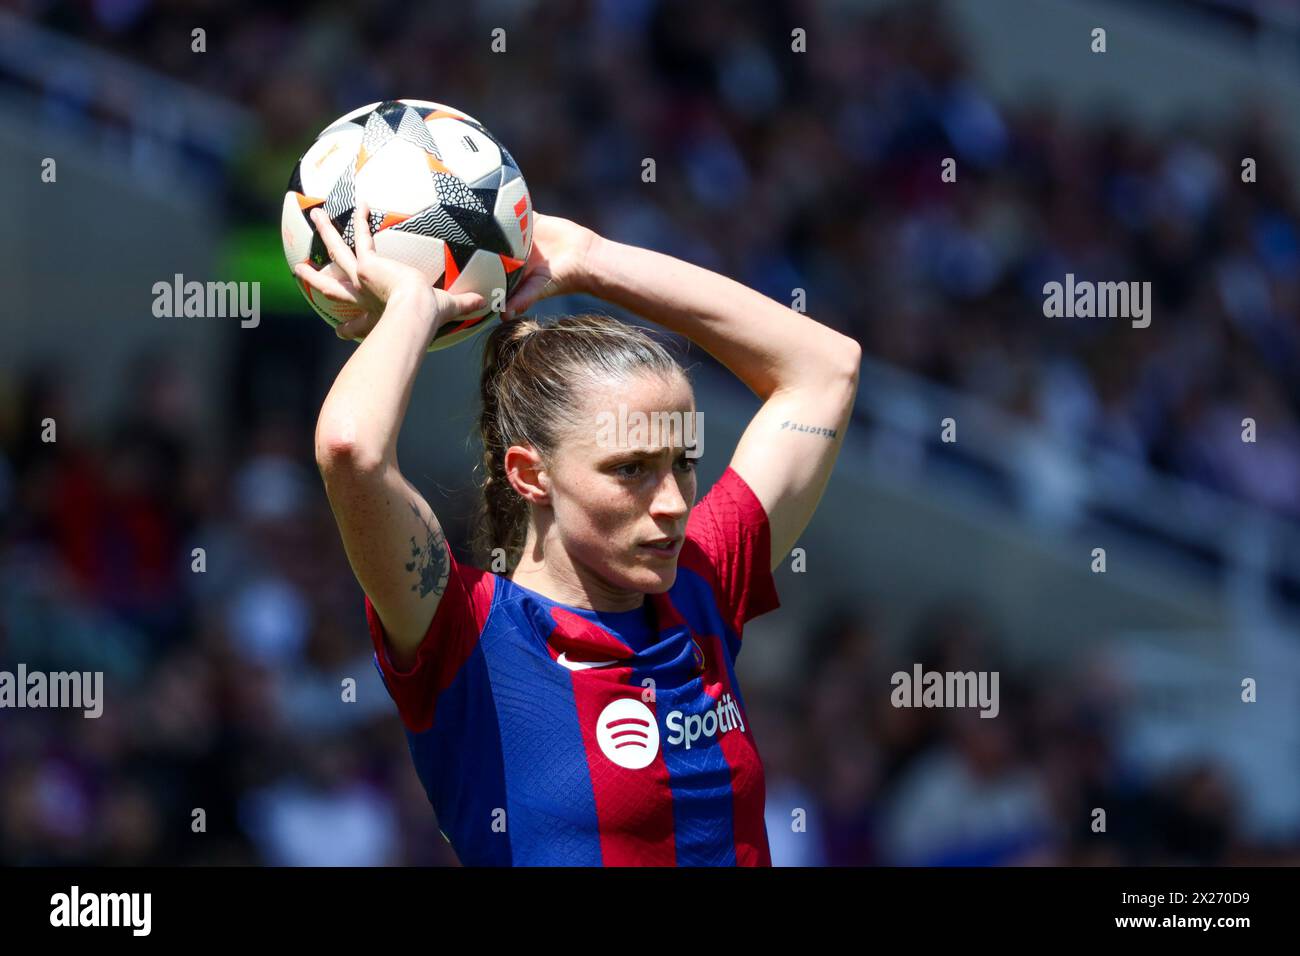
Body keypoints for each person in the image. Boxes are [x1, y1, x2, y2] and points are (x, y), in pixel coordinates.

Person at [298, 200, 861, 865]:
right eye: (632, 470)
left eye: (683, 464)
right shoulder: (466, 634)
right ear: (530, 475)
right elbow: (350, 451)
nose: (675, 503)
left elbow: (828, 368)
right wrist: (414, 308)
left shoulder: (700, 583)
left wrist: (590, 260)